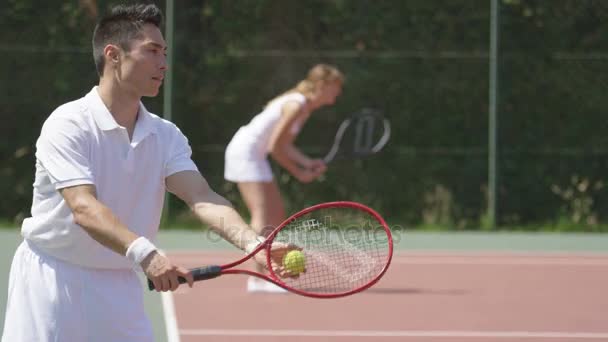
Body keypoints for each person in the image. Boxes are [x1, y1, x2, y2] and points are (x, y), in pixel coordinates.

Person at [1, 4, 291, 341]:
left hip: (121, 284)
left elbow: (201, 197)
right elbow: (83, 208)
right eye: (152, 51)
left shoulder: (166, 135)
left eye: (164, 52)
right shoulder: (68, 124)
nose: (163, 63)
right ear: (113, 55)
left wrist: (254, 243)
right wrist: (147, 254)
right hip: (52, 279)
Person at [224, 63, 344, 293]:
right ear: (322, 85)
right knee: (261, 214)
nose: (337, 94)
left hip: (255, 155)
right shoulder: (296, 104)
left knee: (277, 212)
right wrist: (299, 172)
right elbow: (275, 147)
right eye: (335, 88)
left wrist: (308, 162)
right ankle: (257, 278)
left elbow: (285, 145)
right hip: (245, 153)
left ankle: (268, 270)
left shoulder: (303, 106)